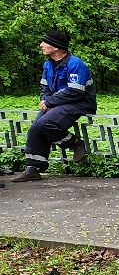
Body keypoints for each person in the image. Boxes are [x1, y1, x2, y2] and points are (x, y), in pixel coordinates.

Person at [15, 31, 96, 184]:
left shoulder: (75, 64)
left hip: (80, 103)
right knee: (35, 128)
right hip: (57, 103)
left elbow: (75, 92)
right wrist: (46, 101)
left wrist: (50, 102)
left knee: (44, 124)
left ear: (56, 47)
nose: (41, 45)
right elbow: (44, 86)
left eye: (44, 42)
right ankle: (33, 168)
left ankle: (76, 144)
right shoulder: (48, 64)